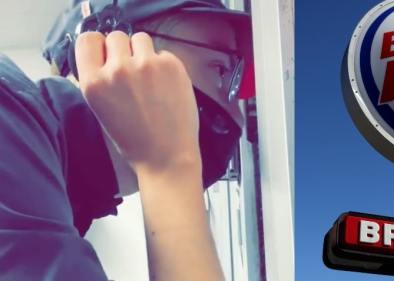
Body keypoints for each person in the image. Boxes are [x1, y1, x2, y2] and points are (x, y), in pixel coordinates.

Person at [0, 0, 253, 280]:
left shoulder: (68, 201)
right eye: (219, 69)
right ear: (111, 50)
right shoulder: (5, 111)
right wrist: (168, 166)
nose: (237, 118)